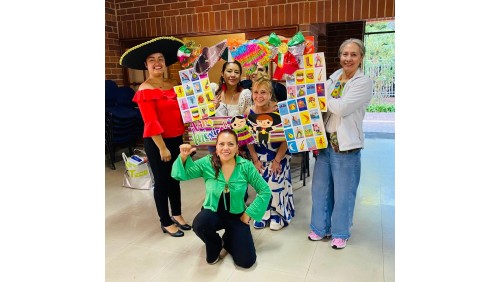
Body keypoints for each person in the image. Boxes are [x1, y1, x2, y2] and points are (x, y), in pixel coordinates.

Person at [119, 37, 192, 237]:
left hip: (176, 139)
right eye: (152, 60)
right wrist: (162, 147)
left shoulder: (172, 83)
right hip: (158, 142)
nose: (157, 62)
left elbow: (185, 109)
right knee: (161, 182)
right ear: (146, 65)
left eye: (160, 58)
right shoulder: (145, 89)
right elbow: (150, 122)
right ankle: (165, 221)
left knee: (175, 178)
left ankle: (177, 213)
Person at [171, 129, 271, 268]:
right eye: (221, 144)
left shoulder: (245, 166)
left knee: (246, 262)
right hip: (213, 211)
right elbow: (181, 175)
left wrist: (249, 213)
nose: (225, 148)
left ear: (237, 147)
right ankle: (215, 244)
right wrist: (183, 157)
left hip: (237, 215)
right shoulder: (207, 162)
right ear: (216, 147)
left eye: (230, 144)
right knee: (200, 224)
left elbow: (265, 191)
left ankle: (229, 239)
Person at [308, 38, 373, 249]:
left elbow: (342, 108)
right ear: (340, 56)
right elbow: (320, 106)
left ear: (361, 58)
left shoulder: (363, 83)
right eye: (345, 54)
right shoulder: (333, 78)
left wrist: (319, 95)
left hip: (346, 147)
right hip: (325, 142)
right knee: (320, 190)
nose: (348, 58)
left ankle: (340, 233)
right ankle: (320, 228)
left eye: (354, 54)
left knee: (343, 193)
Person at [244, 73, 294, 231]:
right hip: (258, 154)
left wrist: (277, 160)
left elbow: (288, 136)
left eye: (263, 92)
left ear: (270, 94)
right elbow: (246, 137)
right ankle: (262, 213)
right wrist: (254, 159)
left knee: (275, 183)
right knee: (261, 186)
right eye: (256, 92)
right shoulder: (248, 111)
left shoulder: (279, 109)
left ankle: (278, 214)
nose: (259, 96)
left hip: (279, 153)